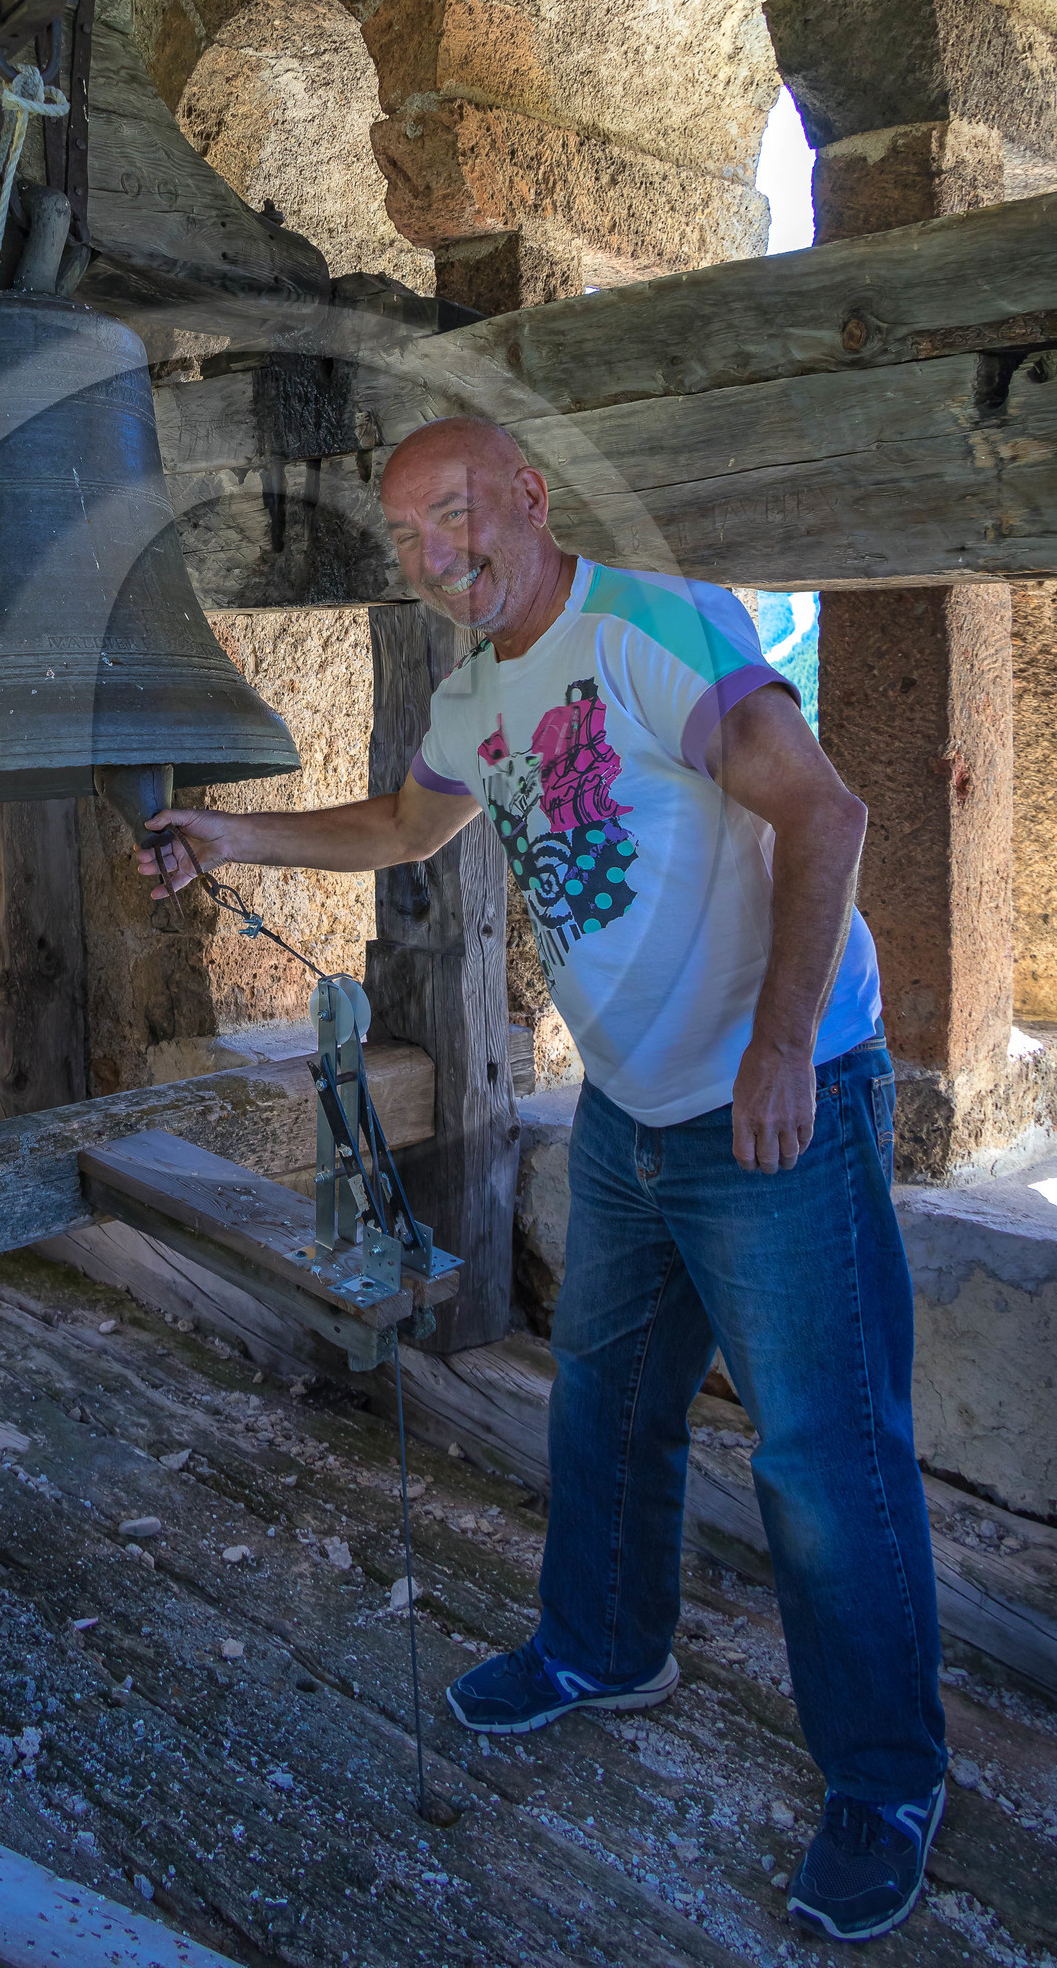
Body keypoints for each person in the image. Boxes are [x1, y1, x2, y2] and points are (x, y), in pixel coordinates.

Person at [137, 417, 946, 1945]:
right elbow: (404, 826)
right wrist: (227, 831)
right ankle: (602, 1649)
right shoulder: (477, 693)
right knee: (607, 1399)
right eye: (410, 537)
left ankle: (890, 1783)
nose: (438, 555)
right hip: (638, 1117)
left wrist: (785, 1047)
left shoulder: (653, 630)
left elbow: (825, 812)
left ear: (529, 495)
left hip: (778, 1100)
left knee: (823, 1459)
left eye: (457, 514)